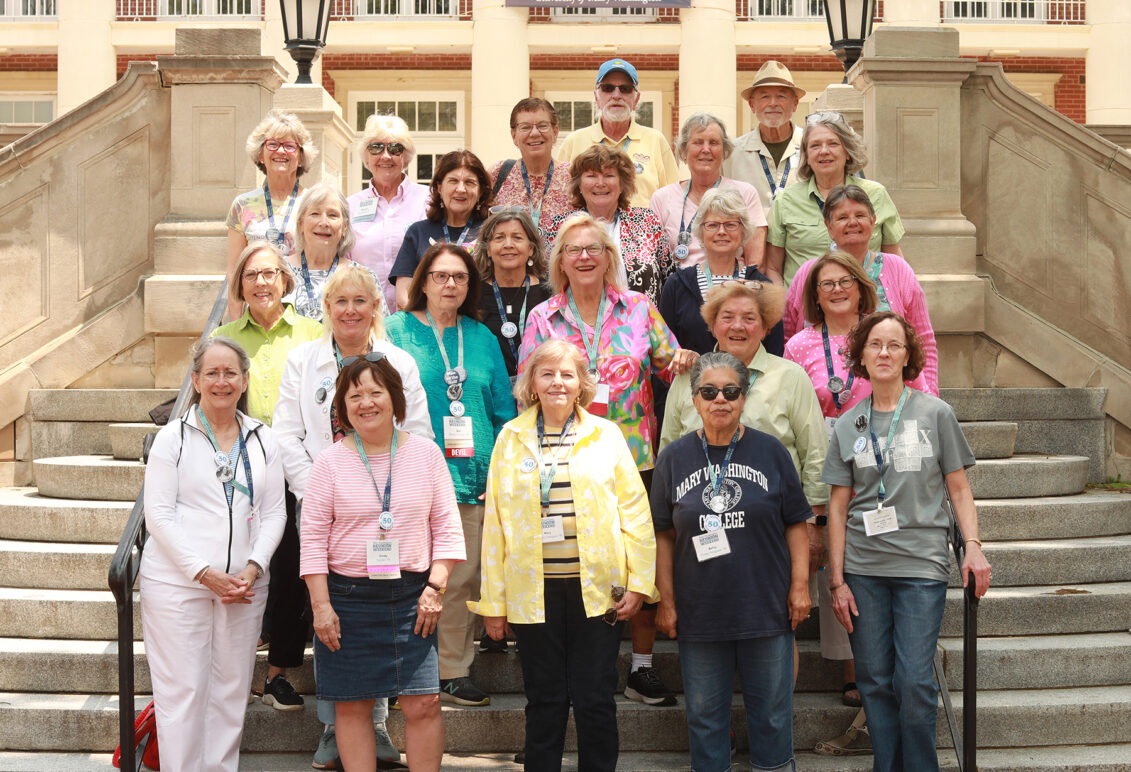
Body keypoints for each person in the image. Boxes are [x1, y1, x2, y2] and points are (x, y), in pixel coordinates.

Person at [519, 212, 697, 708]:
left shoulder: (639, 308)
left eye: (593, 248)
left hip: (635, 455)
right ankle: (577, 666)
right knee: (576, 558)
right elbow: (527, 391)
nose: (584, 257)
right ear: (560, 261)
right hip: (565, 459)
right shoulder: (542, 317)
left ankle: (641, 667)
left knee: (634, 554)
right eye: (573, 250)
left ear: (609, 258)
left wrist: (684, 359)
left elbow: (671, 365)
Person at [471, 339, 657, 772]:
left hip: (598, 593)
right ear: (532, 382)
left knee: (595, 699)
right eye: (547, 373)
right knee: (545, 699)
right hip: (533, 594)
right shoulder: (511, 437)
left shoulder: (605, 434)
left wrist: (639, 583)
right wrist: (493, 605)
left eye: (567, 374)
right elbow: (495, 526)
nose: (558, 382)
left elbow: (635, 512)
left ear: (581, 385)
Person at [274, 264, 432, 767]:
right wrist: (323, 489)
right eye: (340, 301)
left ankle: (379, 726)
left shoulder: (400, 363)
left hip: (390, 511)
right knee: (334, 618)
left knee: (384, 608)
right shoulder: (303, 361)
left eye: (360, 301)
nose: (350, 310)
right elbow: (286, 435)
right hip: (325, 506)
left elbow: (421, 434)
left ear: (375, 308)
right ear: (327, 309)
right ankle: (333, 726)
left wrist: (386, 491)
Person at [824, 311, 992, 772]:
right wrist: (836, 580)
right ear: (859, 354)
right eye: (874, 344)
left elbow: (959, 488)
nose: (883, 352)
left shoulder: (935, 413)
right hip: (863, 569)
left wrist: (973, 544)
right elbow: (837, 508)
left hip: (920, 566)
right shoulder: (847, 424)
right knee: (875, 680)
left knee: (915, 681)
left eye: (893, 345)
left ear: (907, 355)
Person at [300, 355, 466, 772]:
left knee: (424, 702)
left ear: (395, 398)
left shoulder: (426, 455)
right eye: (355, 395)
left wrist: (436, 587)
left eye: (376, 392)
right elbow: (314, 541)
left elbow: (447, 528)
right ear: (342, 406)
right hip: (346, 600)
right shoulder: (328, 462)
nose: (366, 403)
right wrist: (321, 607)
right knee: (351, 706)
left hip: (414, 596)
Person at [653, 351, 811, 772]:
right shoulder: (673, 458)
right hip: (700, 612)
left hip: (766, 607)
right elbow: (663, 536)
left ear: (744, 397)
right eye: (708, 391)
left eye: (730, 391)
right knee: (704, 719)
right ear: (694, 399)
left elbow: (797, 523)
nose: (719, 399)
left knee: (773, 716)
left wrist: (800, 587)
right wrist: (665, 602)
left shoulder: (771, 451)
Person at [140, 336, 286, 772]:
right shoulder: (173, 439)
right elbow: (159, 516)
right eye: (212, 373)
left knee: (231, 690)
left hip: (244, 586)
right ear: (196, 380)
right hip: (176, 585)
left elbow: (275, 512)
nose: (221, 381)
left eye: (230, 373)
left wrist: (253, 567)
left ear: (244, 381)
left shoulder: (264, 440)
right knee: (182, 691)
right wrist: (204, 573)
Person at [385, 243, 517, 706]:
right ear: (422, 281)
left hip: (470, 474)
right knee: (403, 575)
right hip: (407, 475)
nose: (450, 285)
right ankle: (400, 668)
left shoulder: (481, 337)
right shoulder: (395, 331)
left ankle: (453, 670)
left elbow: (502, 410)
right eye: (440, 276)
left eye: (459, 278)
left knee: (459, 578)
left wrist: (499, 467)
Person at [212, 241, 323, 712]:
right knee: (240, 559)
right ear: (240, 284)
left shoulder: (314, 332)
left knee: (294, 569)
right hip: (241, 468)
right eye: (251, 274)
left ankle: (278, 672)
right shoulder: (225, 336)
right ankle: (227, 670)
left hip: (298, 467)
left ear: (286, 280)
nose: (261, 282)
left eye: (270, 273)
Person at [782, 252, 879, 718]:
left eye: (845, 282)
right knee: (830, 555)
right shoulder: (800, 344)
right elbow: (793, 404)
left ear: (860, 287)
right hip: (820, 445)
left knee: (869, 552)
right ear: (814, 295)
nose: (837, 290)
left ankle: (879, 655)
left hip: (874, 445)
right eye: (826, 284)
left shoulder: (881, 331)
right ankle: (850, 670)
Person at [785, 185, 938, 395]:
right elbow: (789, 337)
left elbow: (924, 342)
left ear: (873, 221)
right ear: (829, 227)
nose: (853, 223)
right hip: (822, 400)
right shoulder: (809, 273)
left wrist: (930, 400)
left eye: (860, 215)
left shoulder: (898, 268)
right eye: (842, 217)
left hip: (894, 400)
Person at [766, 112, 905, 286]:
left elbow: (894, 260)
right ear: (806, 157)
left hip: (868, 306)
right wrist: (786, 309)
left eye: (833, 144)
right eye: (815, 146)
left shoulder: (876, 194)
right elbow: (773, 268)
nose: (824, 151)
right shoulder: (785, 200)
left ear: (847, 152)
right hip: (804, 309)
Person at [658, 188, 783, 357]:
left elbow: (774, 353)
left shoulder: (762, 286)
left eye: (730, 224)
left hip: (750, 382)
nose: (722, 231)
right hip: (691, 381)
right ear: (700, 232)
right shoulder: (676, 285)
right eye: (713, 225)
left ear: (743, 230)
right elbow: (665, 353)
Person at [547, 145, 674, 308]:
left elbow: (669, 278)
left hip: (641, 328)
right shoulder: (560, 227)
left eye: (609, 175)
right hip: (578, 329)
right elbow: (548, 283)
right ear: (579, 185)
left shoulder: (647, 221)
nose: (600, 183)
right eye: (591, 176)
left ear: (622, 184)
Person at [226, 110, 315, 320]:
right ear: (260, 154)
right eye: (273, 144)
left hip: (304, 310)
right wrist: (237, 324)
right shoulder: (242, 205)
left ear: (301, 157)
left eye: (290, 145)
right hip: (257, 309)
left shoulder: (315, 203)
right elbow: (233, 271)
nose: (281, 151)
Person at [557, 58, 678, 208]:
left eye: (625, 88)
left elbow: (673, 200)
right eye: (607, 88)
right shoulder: (573, 142)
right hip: (589, 229)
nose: (616, 95)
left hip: (643, 231)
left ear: (636, 99)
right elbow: (559, 198)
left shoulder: (655, 141)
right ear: (596, 97)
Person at [650, 113, 766, 270]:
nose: (706, 149)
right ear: (684, 150)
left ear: (724, 150)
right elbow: (654, 261)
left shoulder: (745, 193)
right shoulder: (662, 198)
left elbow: (755, 263)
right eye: (698, 142)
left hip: (730, 288)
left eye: (714, 143)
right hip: (678, 289)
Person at [390, 150, 493, 311]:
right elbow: (403, 296)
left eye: (469, 182)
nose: (461, 189)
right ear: (439, 187)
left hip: (479, 327)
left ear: (480, 191)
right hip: (427, 329)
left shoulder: (492, 232)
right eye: (453, 181)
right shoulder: (418, 232)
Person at [347, 114, 430, 315]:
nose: (385, 156)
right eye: (376, 147)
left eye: (395, 149)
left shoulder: (429, 199)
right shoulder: (349, 206)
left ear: (406, 156)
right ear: (366, 157)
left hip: (418, 315)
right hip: (364, 317)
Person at [287, 182, 388, 322]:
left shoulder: (364, 277)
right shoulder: (278, 272)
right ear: (300, 223)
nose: (323, 223)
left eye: (332, 215)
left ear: (344, 226)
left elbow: (380, 332)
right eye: (315, 214)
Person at [472, 209, 554, 380]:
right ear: (488, 249)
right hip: (489, 388)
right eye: (499, 238)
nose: (508, 244)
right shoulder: (472, 292)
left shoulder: (549, 291)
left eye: (517, 238)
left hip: (538, 386)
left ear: (531, 248)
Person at [723, 61, 806, 222]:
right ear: (752, 105)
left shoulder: (812, 147)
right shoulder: (731, 154)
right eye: (765, 96)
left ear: (795, 103)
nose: (773, 103)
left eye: (781, 96)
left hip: (800, 245)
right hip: (749, 244)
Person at [489, 98, 572, 234]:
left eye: (542, 126)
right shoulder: (497, 173)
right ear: (514, 136)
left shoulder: (572, 175)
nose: (534, 133)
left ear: (555, 132)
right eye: (525, 127)